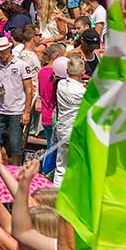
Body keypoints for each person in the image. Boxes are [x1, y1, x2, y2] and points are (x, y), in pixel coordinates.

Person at [0, 34, 34, 164]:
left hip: (16, 110)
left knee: (16, 145)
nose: (1, 54)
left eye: (3, 51)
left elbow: (29, 90)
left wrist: (26, 112)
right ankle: (2, 169)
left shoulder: (21, 65)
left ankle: (15, 172)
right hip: (0, 110)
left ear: (9, 49)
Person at [53, 55, 86, 185]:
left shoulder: (61, 84)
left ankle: (56, 192)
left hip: (62, 130)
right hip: (76, 133)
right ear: (83, 73)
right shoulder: (82, 92)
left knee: (61, 166)